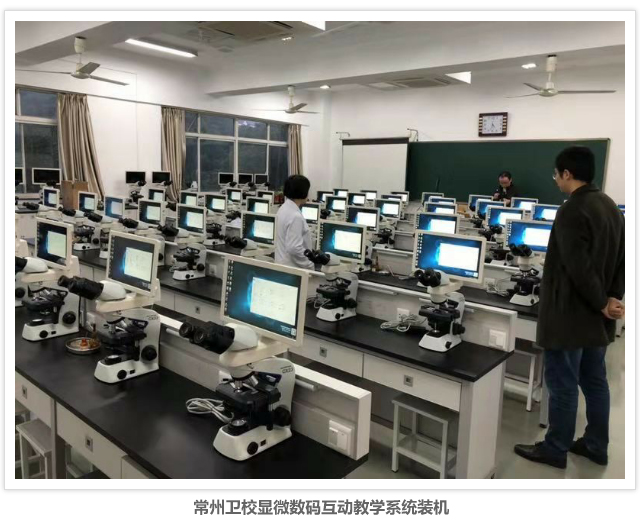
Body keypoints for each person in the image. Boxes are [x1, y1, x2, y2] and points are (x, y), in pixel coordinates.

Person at [514, 146, 624, 469]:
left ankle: (555, 448)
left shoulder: (572, 209)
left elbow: (578, 268)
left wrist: (602, 302)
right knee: (594, 381)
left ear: (567, 173)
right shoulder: (610, 206)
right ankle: (596, 444)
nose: (555, 180)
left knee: (562, 384)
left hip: (570, 316)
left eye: (556, 174)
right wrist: (611, 299)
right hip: (597, 319)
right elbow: (621, 260)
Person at [275, 174, 315, 270]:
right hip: (293, 268)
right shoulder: (295, 216)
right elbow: (294, 248)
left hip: (282, 263)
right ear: (303, 192)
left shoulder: (283, 208)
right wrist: (309, 264)